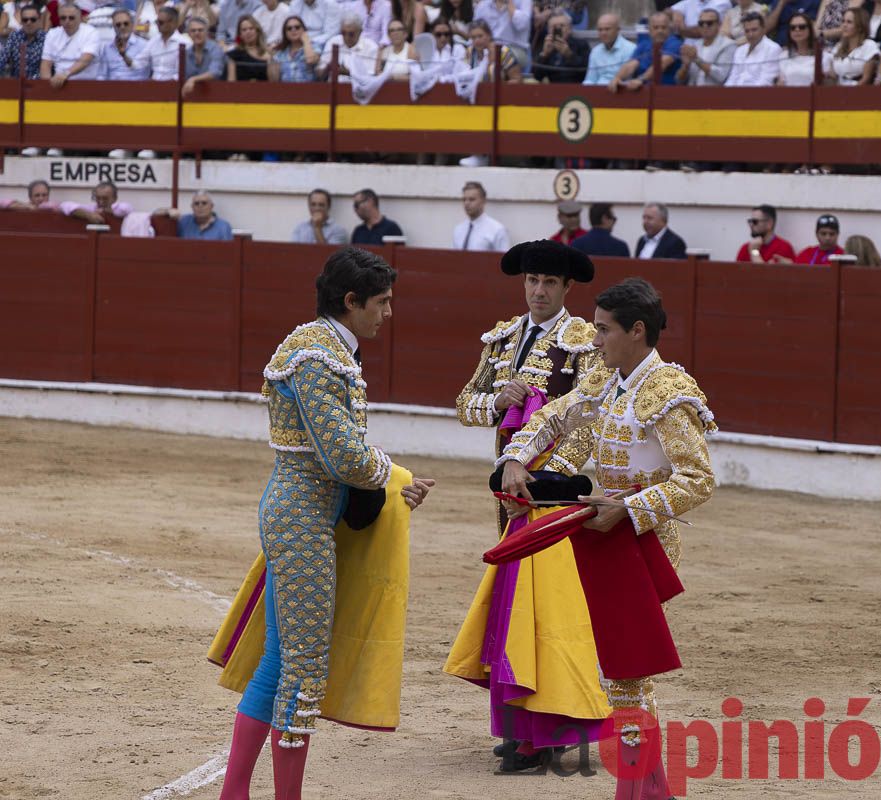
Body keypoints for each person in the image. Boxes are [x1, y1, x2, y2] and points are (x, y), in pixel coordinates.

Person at [210, 247, 435, 800]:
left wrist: (391, 481)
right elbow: (345, 457)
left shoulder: (326, 349)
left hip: (307, 512)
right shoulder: (316, 356)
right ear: (351, 301)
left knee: (280, 661)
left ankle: (234, 794)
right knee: (304, 668)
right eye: (381, 303)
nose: (388, 313)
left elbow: (343, 455)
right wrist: (394, 475)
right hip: (303, 519)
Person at [498, 276, 717, 800]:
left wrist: (629, 509)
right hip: (607, 531)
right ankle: (650, 788)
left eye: (603, 330)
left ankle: (641, 788)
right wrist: (514, 458)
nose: (593, 340)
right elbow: (554, 416)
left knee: (626, 670)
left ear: (636, 331)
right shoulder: (608, 379)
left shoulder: (667, 391)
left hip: (645, 539)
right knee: (621, 672)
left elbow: (699, 478)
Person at [448, 243, 608, 769]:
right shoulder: (502, 339)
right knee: (515, 603)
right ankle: (525, 724)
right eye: (532, 280)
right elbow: (465, 404)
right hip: (506, 490)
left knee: (546, 606)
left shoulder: (583, 342)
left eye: (549, 283)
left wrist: (545, 481)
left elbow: (587, 420)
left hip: (548, 494)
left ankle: (545, 731)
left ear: (567, 288)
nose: (539, 290)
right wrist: (496, 402)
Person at [609, 11, 682, 90]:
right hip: (643, 90)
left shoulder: (675, 43)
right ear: (649, 30)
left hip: (667, 90)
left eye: (663, 27)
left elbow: (662, 64)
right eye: (656, 27)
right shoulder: (644, 44)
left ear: (669, 29)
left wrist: (641, 79)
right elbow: (632, 64)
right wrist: (617, 78)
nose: (660, 31)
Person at [39, 2, 100, 87]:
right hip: (59, 84)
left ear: (80, 18)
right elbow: (46, 64)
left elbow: (85, 60)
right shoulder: (52, 34)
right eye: (63, 18)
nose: (67, 21)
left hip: (87, 84)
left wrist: (66, 74)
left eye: (71, 18)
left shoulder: (91, 32)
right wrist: (47, 86)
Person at [317, 12, 380, 81]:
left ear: (360, 32)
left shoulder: (371, 47)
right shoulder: (333, 42)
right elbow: (320, 73)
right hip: (333, 86)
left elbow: (370, 78)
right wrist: (328, 68)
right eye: (343, 33)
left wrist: (349, 73)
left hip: (358, 87)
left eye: (351, 34)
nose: (347, 37)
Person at [679, 7, 734, 85]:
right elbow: (679, 80)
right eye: (701, 23)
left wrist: (696, 59)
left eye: (709, 23)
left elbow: (721, 76)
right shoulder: (695, 45)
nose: (705, 26)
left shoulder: (728, 45)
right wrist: (685, 66)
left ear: (719, 24)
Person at [725, 10, 781, 85]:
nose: (750, 34)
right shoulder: (740, 50)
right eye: (747, 31)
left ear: (763, 29)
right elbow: (732, 78)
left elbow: (766, 81)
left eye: (754, 30)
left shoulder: (773, 49)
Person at [531, 8, 587, 82]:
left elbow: (586, 72)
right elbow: (537, 76)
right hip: (553, 87)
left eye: (562, 25)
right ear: (549, 30)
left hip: (576, 86)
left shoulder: (581, 44)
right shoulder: (546, 45)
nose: (558, 28)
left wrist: (570, 55)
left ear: (569, 29)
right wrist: (544, 55)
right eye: (554, 27)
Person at [453, 181, 511, 252]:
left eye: (472, 199)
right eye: (464, 199)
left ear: (483, 201)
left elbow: (505, 257)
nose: (466, 203)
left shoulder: (497, 230)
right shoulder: (458, 229)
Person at [472, 0, 531, 67]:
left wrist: (509, 3)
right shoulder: (484, 4)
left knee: (495, 52)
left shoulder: (524, 1)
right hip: (488, 46)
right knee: (469, 52)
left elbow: (521, 25)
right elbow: (474, 29)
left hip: (515, 48)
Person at [777, 12, 831, 85]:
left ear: (810, 30)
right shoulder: (783, 56)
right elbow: (780, 85)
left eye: (802, 27)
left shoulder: (824, 56)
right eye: (792, 27)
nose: (797, 30)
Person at [830, 6, 878, 85]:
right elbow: (832, 75)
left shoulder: (869, 46)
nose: (844, 25)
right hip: (838, 89)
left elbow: (866, 79)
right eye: (843, 21)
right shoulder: (838, 46)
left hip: (859, 90)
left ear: (860, 26)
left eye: (849, 22)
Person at [582, 12, 633, 85]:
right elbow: (590, 79)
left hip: (619, 89)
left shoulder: (630, 49)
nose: (603, 33)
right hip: (598, 89)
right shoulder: (595, 51)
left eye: (607, 29)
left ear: (618, 30)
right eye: (600, 30)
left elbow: (629, 80)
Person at [98, 8, 150, 79]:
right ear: (113, 27)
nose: (122, 27)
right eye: (118, 25)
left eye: (126, 24)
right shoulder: (107, 48)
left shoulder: (144, 45)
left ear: (132, 25)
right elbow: (102, 75)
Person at [182, 14, 226, 97]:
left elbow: (214, 73)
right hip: (192, 96)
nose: (197, 33)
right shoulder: (187, 53)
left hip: (216, 94)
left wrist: (193, 79)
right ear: (189, 34)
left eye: (200, 30)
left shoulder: (215, 49)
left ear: (207, 32)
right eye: (193, 31)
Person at [1, 4, 46, 79]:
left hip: (40, 83)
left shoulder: (46, 38)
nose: (29, 22)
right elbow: (3, 58)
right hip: (17, 83)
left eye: (33, 19)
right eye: (25, 20)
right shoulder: (14, 36)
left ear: (39, 21)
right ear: (21, 22)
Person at [271, 16, 320, 82]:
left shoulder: (314, 46)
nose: (293, 30)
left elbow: (310, 60)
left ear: (303, 30)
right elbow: (274, 80)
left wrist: (306, 41)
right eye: (289, 28)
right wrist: (270, 58)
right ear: (285, 33)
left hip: (307, 87)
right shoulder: (280, 52)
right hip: (285, 88)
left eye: (297, 27)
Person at [60, 180, 133, 224]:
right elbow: (64, 205)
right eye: (98, 198)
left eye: (105, 198)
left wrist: (108, 211)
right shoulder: (92, 209)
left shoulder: (120, 207)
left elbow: (126, 209)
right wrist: (88, 215)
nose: (101, 202)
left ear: (115, 198)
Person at [146, 5, 187, 82]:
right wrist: (124, 54)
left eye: (161, 22)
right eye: (157, 22)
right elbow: (139, 63)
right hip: (153, 84)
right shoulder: (153, 41)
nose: (158, 25)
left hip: (174, 85)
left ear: (172, 23)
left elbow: (182, 72)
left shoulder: (184, 43)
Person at [226, 15, 272, 81]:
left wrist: (269, 59)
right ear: (240, 35)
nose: (248, 32)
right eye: (244, 30)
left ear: (257, 31)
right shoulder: (233, 56)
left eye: (251, 28)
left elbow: (273, 82)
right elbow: (231, 83)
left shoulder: (269, 54)